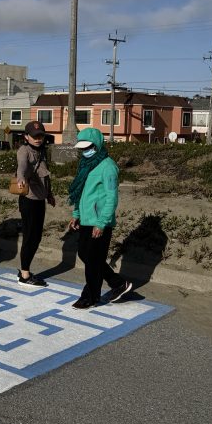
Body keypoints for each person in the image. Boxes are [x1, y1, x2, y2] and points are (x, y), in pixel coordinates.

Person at [67, 127, 133, 309]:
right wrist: (76, 214)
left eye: (88, 147)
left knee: (93, 261)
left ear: (96, 145)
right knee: (85, 255)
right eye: (82, 148)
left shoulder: (108, 166)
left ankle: (90, 297)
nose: (85, 151)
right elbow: (81, 193)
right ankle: (118, 283)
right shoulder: (85, 165)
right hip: (86, 219)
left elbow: (112, 198)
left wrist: (102, 223)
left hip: (99, 221)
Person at [15, 120, 55, 286]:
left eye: (41, 136)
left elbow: (45, 175)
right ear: (26, 137)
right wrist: (21, 178)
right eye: (34, 136)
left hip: (40, 199)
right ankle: (24, 275)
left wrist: (49, 194)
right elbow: (22, 166)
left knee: (36, 237)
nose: (38, 139)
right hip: (29, 199)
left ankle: (25, 270)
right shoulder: (24, 150)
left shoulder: (42, 151)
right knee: (30, 236)